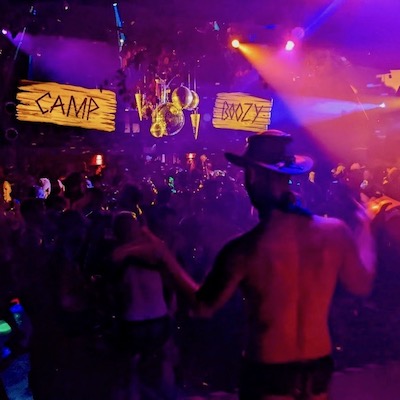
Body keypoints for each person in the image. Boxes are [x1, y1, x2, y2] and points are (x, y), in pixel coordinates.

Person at [124, 130, 376, 400]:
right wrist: (365, 227)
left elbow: (202, 307)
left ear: (253, 176)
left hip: (268, 373)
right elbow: (362, 284)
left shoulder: (245, 249)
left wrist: (164, 257)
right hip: (316, 371)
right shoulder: (335, 233)